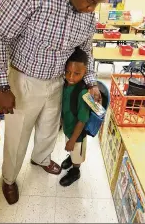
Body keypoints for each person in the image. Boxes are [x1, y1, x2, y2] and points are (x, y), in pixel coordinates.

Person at [0, 0, 116, 205]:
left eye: (96, 5)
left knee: (48, 129)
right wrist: (2, 85)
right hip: (24, 80)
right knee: (18, 135)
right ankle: (9, 178)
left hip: (59, 81)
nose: (91, 8)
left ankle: (41, 159)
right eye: (89, 1)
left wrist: (90, 81)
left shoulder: (88, 11)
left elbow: (86, 49)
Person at [60, 48, 90, 187]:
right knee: (71, 150)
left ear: (85, 72)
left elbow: (82, 120)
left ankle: (76, 170)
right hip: (68, 129)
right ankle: (71, 158)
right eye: (68, 72)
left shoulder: (83, 93)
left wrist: (72, 140)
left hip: (77, 135)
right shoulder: (66, 84)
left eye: (77, 73)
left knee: (76, 151)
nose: (71, 77)